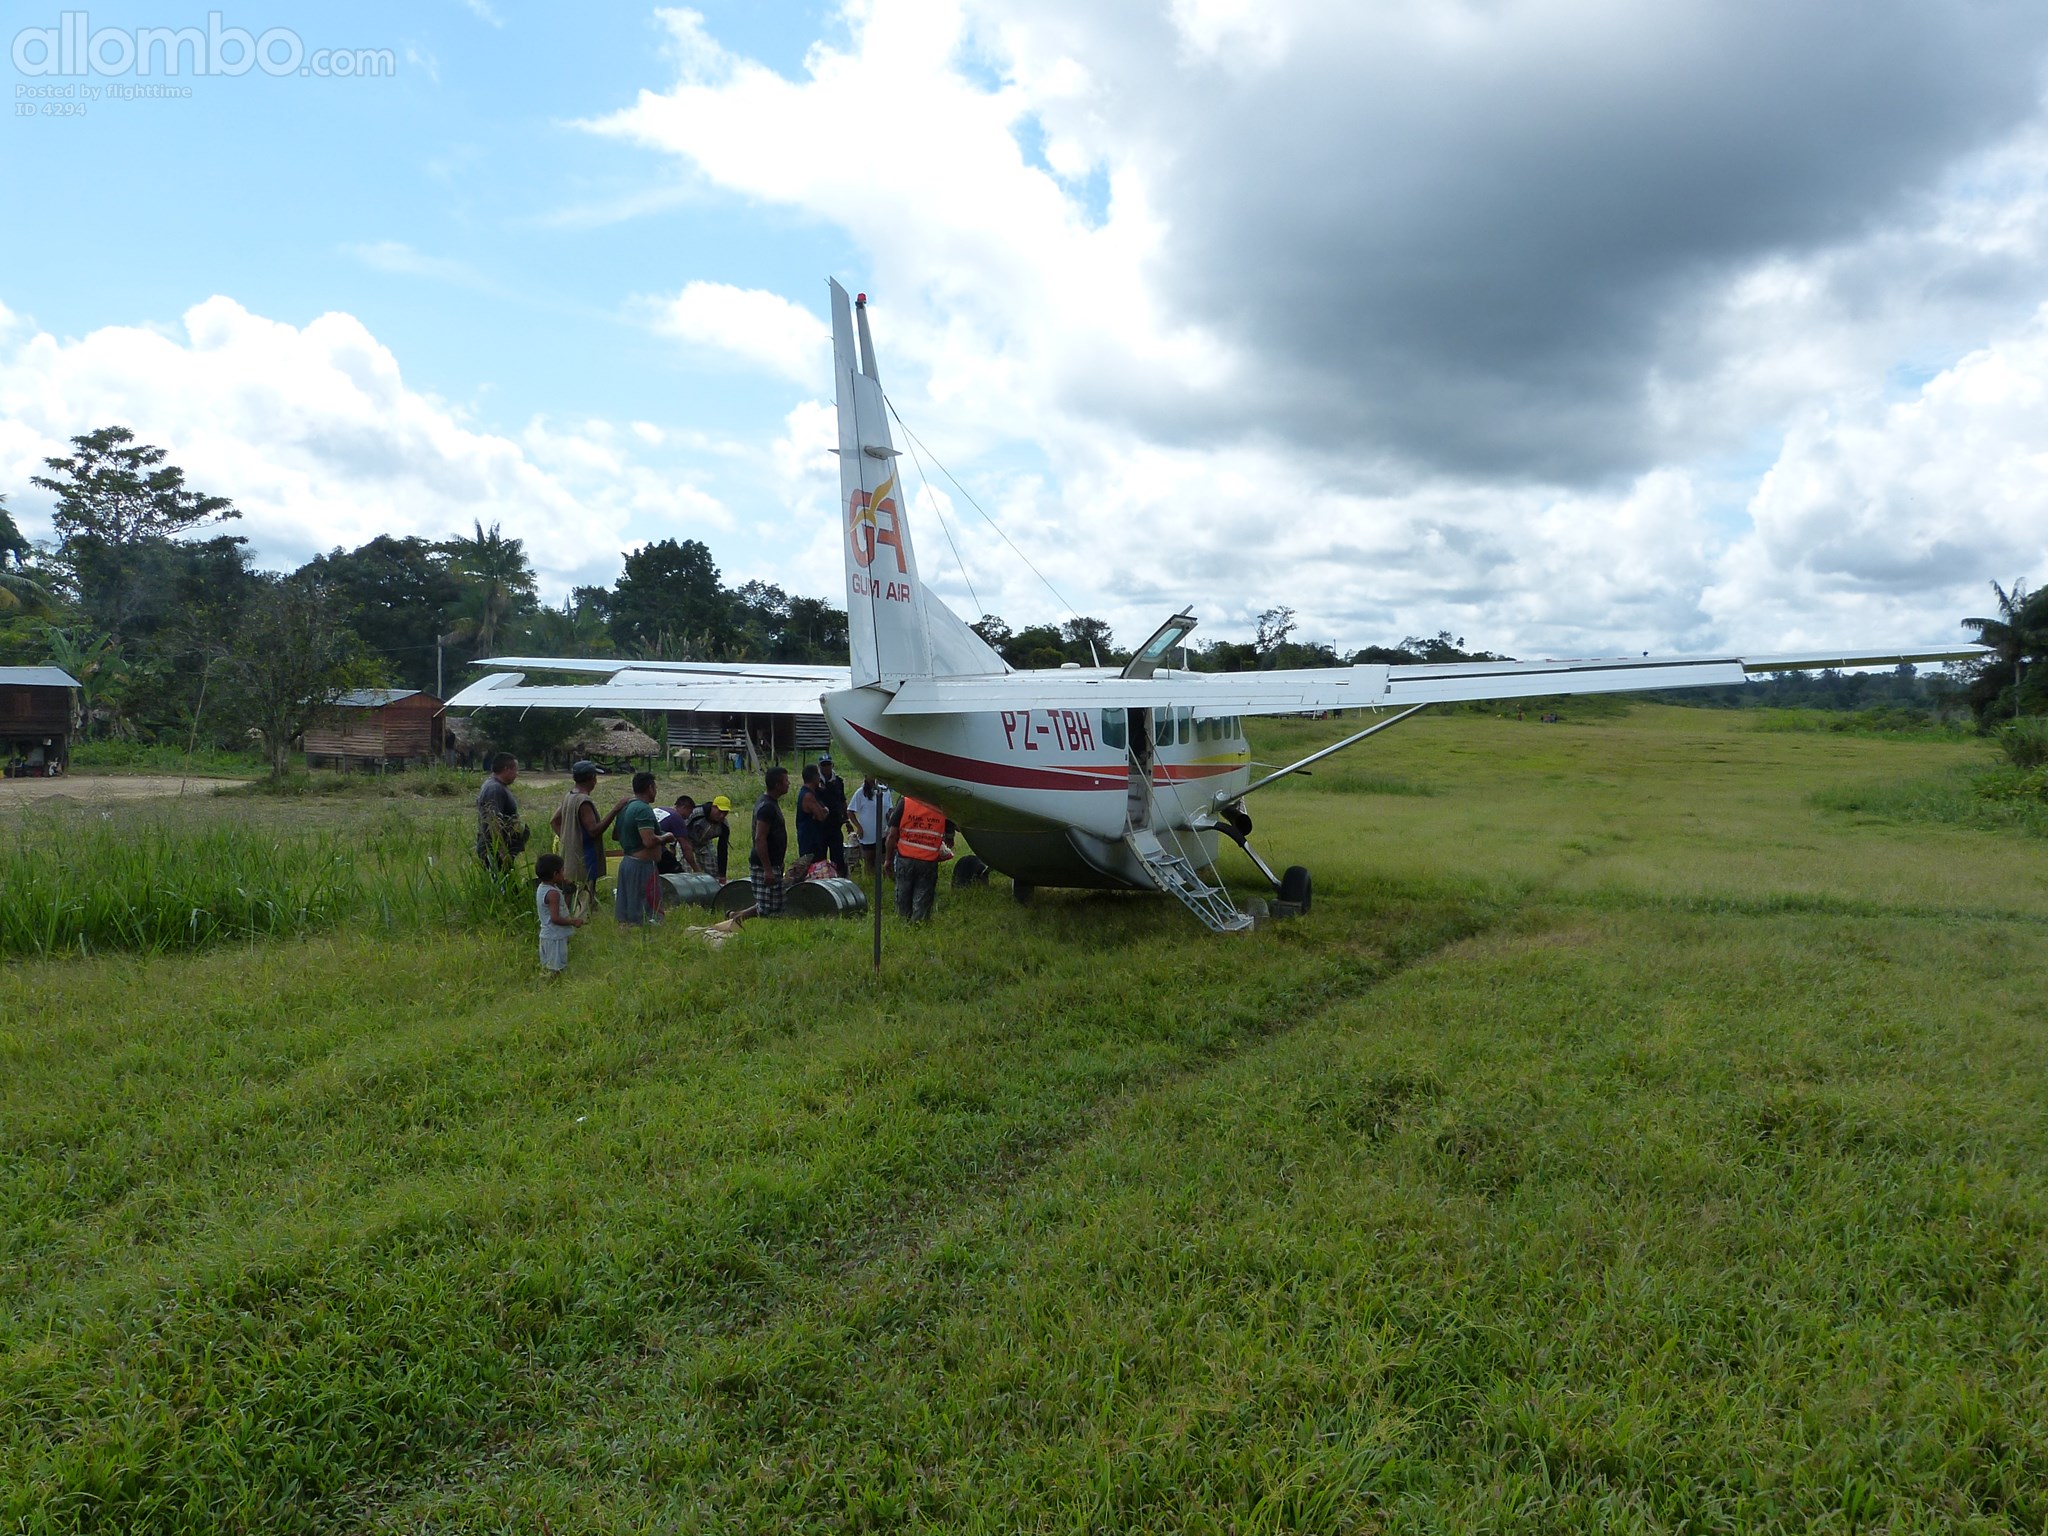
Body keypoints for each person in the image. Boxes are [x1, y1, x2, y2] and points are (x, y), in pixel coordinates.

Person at [725, 766, 789, 927]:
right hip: (763, 864)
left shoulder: (770, 802)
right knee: (767, 907)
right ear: (777, 785)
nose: (789, 784)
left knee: (777, 904)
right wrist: (767, 869)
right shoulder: (767, 807)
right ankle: (735, 919)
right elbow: (760, 838)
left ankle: (736, 917)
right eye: (786, 781)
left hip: (773, 862)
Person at [549, 761, 615, 914]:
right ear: (592, 778)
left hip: (570, 856)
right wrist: (615, 810)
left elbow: (554, 821)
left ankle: (568, 920)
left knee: (570, 893)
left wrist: (568, 840)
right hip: (585, 857)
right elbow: (593, 831)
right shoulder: (583, 801)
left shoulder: (569, 796)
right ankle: (581, 924)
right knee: (585, 895)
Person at [612, 770, 666, 926]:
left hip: (628, 863)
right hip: (642, 867)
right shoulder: (643, 809)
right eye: (655, 787)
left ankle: (626, 937)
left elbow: (616, 835)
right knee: (647, 910)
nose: (655, 791)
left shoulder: (626, 807)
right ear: (650, 788)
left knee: (628, 908)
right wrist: (666, 837)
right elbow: (648, 841)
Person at [887, 793, 952, 922]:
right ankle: (918, 925)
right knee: (923, 897)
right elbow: (950, 837)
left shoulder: (905, 803)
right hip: (928, 861)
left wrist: (888, 860)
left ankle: (903, 924)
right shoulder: (941, 807)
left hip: (905, 859)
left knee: (903, 895)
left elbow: (892, 836)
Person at [534, 852, 586, 974]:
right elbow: (556, 918)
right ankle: (552, 988)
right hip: (554, 937)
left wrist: (568, 892)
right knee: (555, 969)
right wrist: (573, 921)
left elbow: (561, 907)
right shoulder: (553, 894)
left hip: (548, 935)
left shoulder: (543, 888)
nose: (564, 874)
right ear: (555, 874)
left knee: (550, 966)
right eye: (562, 871)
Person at [474, 753, 526, 872]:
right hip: (494, 850)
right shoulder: (494, 788)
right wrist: (502, 852)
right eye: (515, 770)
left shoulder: (497, 786)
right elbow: (493, 822)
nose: (516, 774)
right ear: (506, 769)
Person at [847, 774, 890, 876]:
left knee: (884, 859)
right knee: (869, 860)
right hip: (868, 834)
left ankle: (883, 881)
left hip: (883, 832)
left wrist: (890, 826)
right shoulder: (860, 793)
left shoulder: (885, 791)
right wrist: (859, 827)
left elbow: (889, 810)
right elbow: (850, 811)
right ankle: (870, 881)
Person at [685, 794, 733, 880]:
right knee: (686, 869)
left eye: (725, 813)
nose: (722, 815)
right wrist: (673, 846)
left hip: (704, 843)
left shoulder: (724, 826)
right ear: (713, 807)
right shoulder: (696, 813)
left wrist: (722, 874)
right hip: (686, 841)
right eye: (720, 811)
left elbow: (722, 849)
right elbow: (679, 827)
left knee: (713, 870)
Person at [793, 763, 831, 872]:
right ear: (814, 777)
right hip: (810, 840)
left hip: (814, 837)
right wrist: (824, 811)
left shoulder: (812, 793)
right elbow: (821, 816)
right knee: (812, 868)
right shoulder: (808, 796)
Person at [816, 756, 850, 875]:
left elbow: (842, 800)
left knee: (838, 856)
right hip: (821, 826)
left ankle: (839, 879)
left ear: (832, 765)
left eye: (828, 765)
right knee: (820, 858)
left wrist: (846, 819)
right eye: (823, 765)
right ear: (819, 767)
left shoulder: (838, 782)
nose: (826, 768)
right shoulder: (817, 783)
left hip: (835, 825)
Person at [657, 794, 697, 874]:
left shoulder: (660, 809)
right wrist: (696, 869)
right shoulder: (677, 817)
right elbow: (686, 847)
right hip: (654, 849)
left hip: (639, 846)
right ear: (684, 807)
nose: (689, 816)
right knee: (678, 875)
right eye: (689, 812)